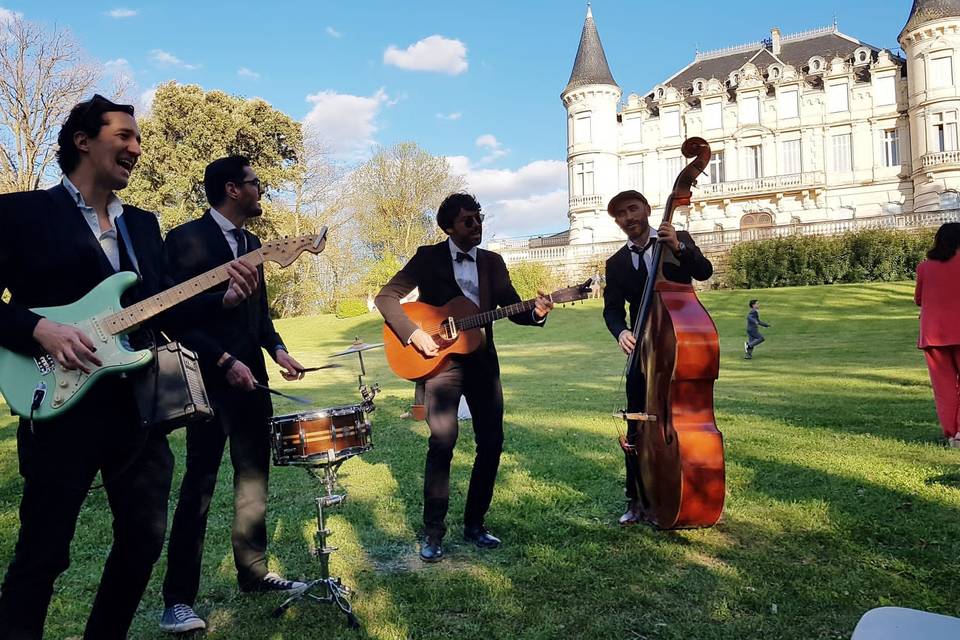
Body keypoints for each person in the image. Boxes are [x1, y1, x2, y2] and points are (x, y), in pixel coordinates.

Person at [0, 95, 252, 640]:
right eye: (125, 136)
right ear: (83, 141)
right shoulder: (20, 214)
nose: (137, 149)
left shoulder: (142, 224)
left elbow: (164, 309)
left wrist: (222, 300)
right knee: (43, 555)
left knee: (142, 541)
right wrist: (36, 329)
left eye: (138, 139)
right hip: (57, 405)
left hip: (138, 410)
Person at [159, 156, 307, 633]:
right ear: (232, 189)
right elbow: (173, 317)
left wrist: (278, 350)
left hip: (253, 383)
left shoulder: (253, 243)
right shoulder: (185, 240)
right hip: (206, 383)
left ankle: (254, 573)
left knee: (253, 482)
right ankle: (178, 598)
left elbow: (258, 313)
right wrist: (224, 360)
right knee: (198, 487)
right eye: (255, 183)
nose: (261, 190)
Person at [375, 192, 554, 563]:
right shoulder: (428, 258)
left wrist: (536, 311)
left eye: (479, 218)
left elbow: (511, 306)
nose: (477, 226)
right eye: (468, 221)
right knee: (443, 442)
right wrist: (415, 333)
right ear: (448, 227)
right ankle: (433, 532)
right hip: (440, 364)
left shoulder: (493, 262)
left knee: (491, 442)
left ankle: (475, 524)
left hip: (483, 363)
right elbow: (386, 298)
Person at [601, 189, 713, 526]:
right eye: (620, 214)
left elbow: (704, 271)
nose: (628, 218)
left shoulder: (677, 239)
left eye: (633, 209)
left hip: (680, 343)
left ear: (648, 210)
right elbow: (611, 310)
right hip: (643, 349)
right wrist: (621, 331)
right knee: (635, 423)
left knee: (683, 416)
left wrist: (678, 246)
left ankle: (689, 484)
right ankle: (635, 498)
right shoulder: (616, 263)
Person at [914, 222, 960, 447]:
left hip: (933, 334)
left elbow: (919, 299)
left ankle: (952, 433)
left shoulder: (924, 267)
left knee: (944, 388)